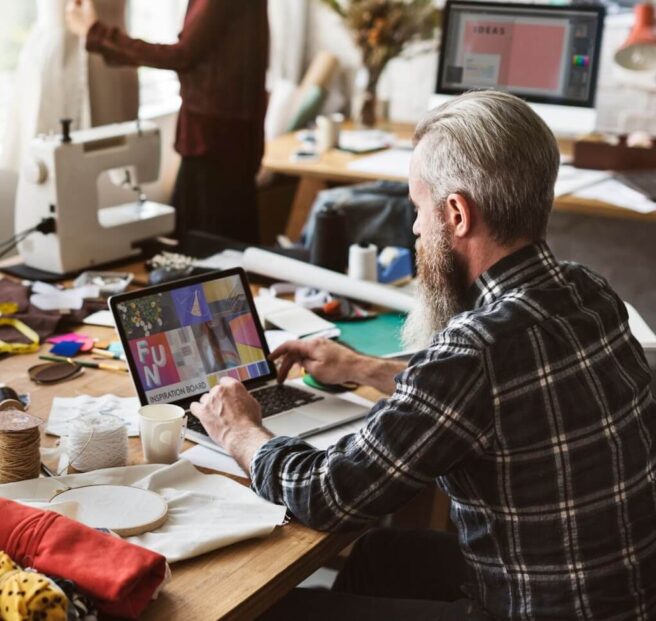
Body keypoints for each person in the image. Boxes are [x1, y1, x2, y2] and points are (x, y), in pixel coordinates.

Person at [191, 90, 656, 619]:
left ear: (457, 213)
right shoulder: (587, 291)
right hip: (622, 595)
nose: (415, 228)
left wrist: (239, 431)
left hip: (528, 608)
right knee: (381, 555)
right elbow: (499, 391)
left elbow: (328, 496)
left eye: (418, 208)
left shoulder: (473, 352)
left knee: (275, 609)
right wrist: (363, 368)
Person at [65, 0, 268, 245]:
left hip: (215, 139)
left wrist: (96, 33)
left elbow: (182, 55)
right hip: (227, 134)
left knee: (210, 248)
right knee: (218, 243)